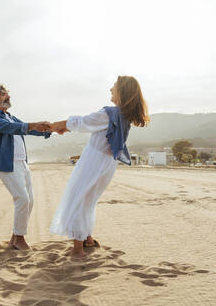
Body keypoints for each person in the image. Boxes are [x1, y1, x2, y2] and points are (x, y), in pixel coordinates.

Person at [49, 76, 149, 258]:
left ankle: (77, 248)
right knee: (88, 200)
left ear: (122, 91)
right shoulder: (123, 116)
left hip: (93, 161)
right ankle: (87, 238)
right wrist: (66, 127)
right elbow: (87, 125)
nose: (110, 89)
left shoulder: (110, 113)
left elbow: (83, 122)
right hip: (107, 163)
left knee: (79, 198)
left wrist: (56, 126)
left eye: (114, 86)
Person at [0, 84, 51, 250]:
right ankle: (20, 239)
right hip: (8, 164)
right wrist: (35, 124)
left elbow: (27, 129)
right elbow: (14, 129)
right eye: (3, 94)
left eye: (7, 93)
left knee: (30, 201)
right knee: (22, 199)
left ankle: (15, 237)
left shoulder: (11, 117)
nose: (8, 96)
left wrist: (50, 130)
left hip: (22, 163)